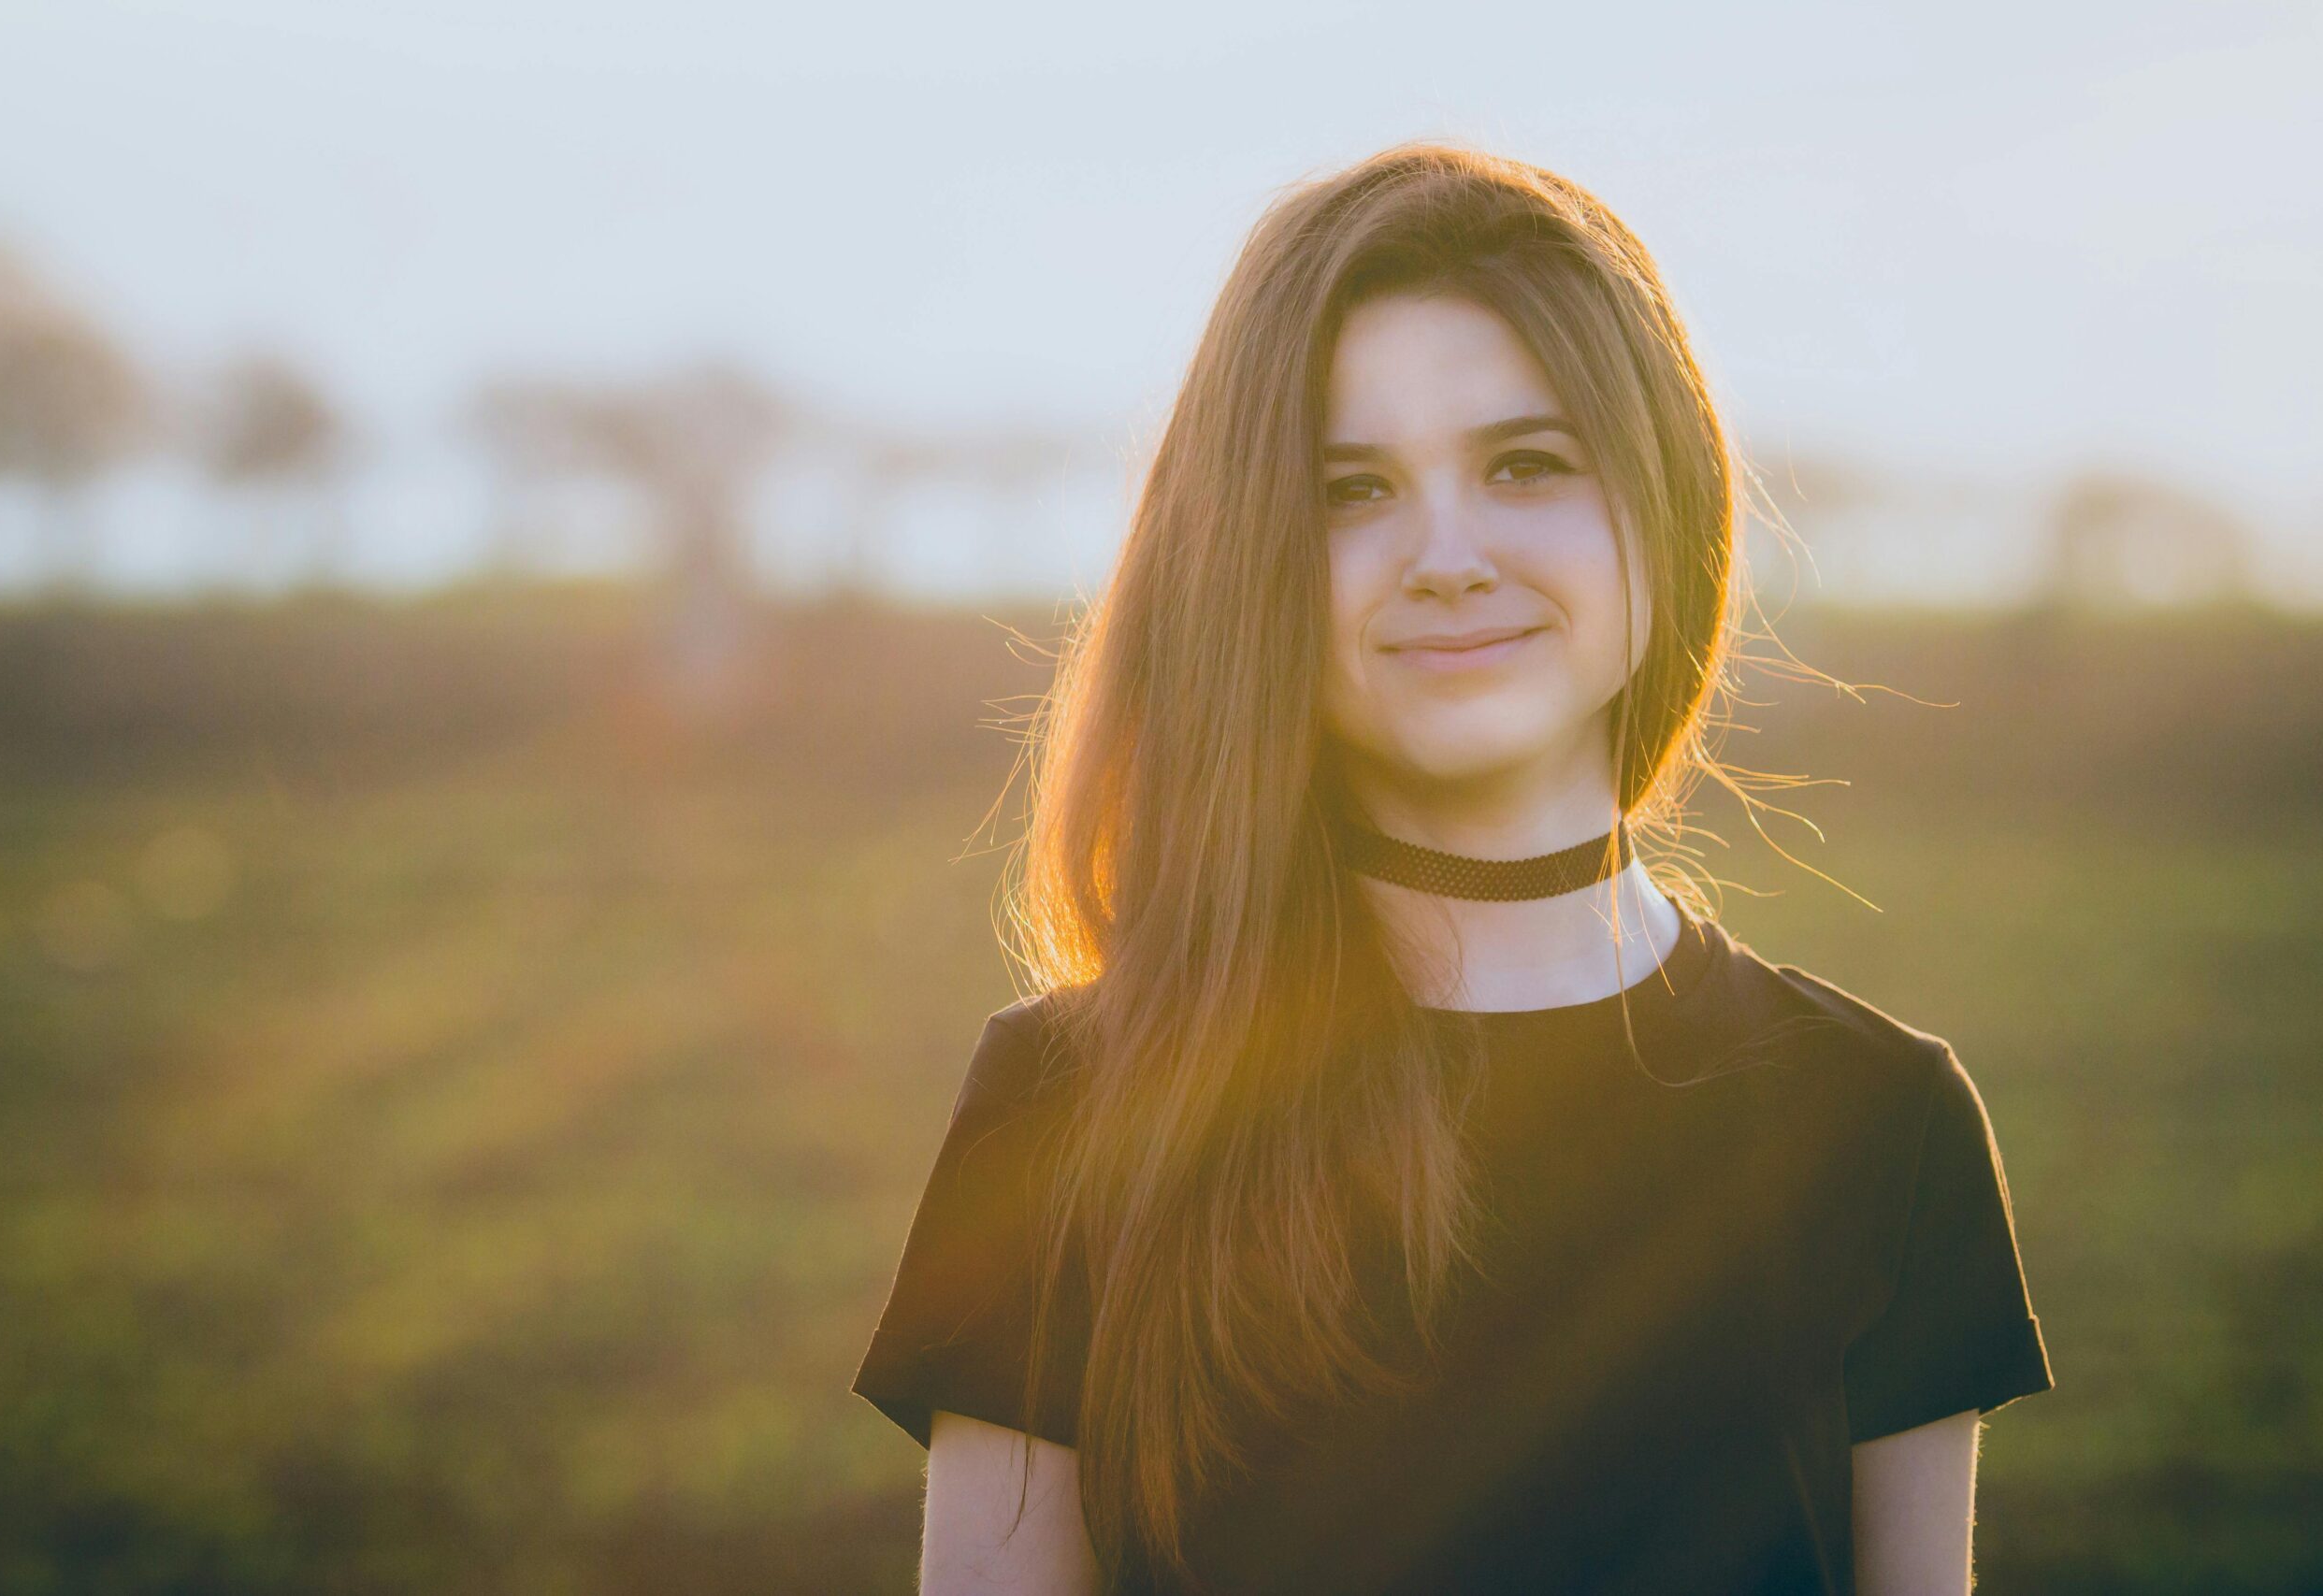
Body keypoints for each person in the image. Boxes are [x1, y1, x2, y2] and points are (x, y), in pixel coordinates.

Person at [849, 140, 2053, 1595]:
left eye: (1526, 464)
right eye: (1351, 492)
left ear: (1667, 504)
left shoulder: (1880, 1122)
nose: (1447, 554)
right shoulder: (1069, 1112)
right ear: (1249, 562)